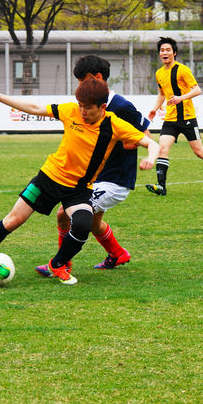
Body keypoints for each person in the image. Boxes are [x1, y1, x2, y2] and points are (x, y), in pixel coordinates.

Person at [0, 79, 159, 285]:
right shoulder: (70, 111)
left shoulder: (115, 125)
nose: (82, 111)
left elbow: (151, 143)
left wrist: (150, 157)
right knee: (12, 221)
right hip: (48, 179)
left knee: (83, 224)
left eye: (88, 108)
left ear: (102, 107)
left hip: (79, 189)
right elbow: (35, 108)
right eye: (80, 105)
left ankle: (57, 264)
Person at [35, 55, 151, 273]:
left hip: (115, 179)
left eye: (83, 80)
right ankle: (118, 253)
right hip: (94, 178)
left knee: (63, 214)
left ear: (97, 77)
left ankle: (61, 264)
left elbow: (145, 134)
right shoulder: (87, 106)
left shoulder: (121, 106)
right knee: (95, 224)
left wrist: (127, 141)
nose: (80, 85)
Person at [146, 36, 203, 196]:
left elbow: (197, 90)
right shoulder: (159, 73)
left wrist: (180, 98)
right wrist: (155, 109)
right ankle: (161, 187)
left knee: (200, 152)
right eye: (162, 50)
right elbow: (162, 94)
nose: (164, 53)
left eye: (168, 50)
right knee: (162, 149)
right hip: (170, 119)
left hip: (187, 118)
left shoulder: (182, 70)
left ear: (174, 53)